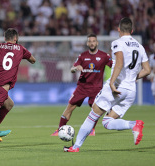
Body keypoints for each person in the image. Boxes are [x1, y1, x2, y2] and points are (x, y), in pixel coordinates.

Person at [64, 17, 151, 152]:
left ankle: (75, 147)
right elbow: (147, 70)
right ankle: (134, 124)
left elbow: (120, 63)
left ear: (118, 30)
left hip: (116, 87)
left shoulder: (117, 43)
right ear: (132, 30)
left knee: (93, 114)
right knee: (107, 122)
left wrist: (111, 82)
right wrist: (133, 77)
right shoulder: (140, 46)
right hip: (131, 91)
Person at [51, 34, 112, 136]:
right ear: (87, 43)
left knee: (95, 109)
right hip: (82, 87)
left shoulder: (104, 56)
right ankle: (59, 129)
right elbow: (72, 69)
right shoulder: (82, 56)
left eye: (93, 41)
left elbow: (114, 66)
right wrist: (76, 68)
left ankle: (92, 129)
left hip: (96, 88)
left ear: (97, 43)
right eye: (90, 41)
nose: (92, 43)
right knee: (70, 107)